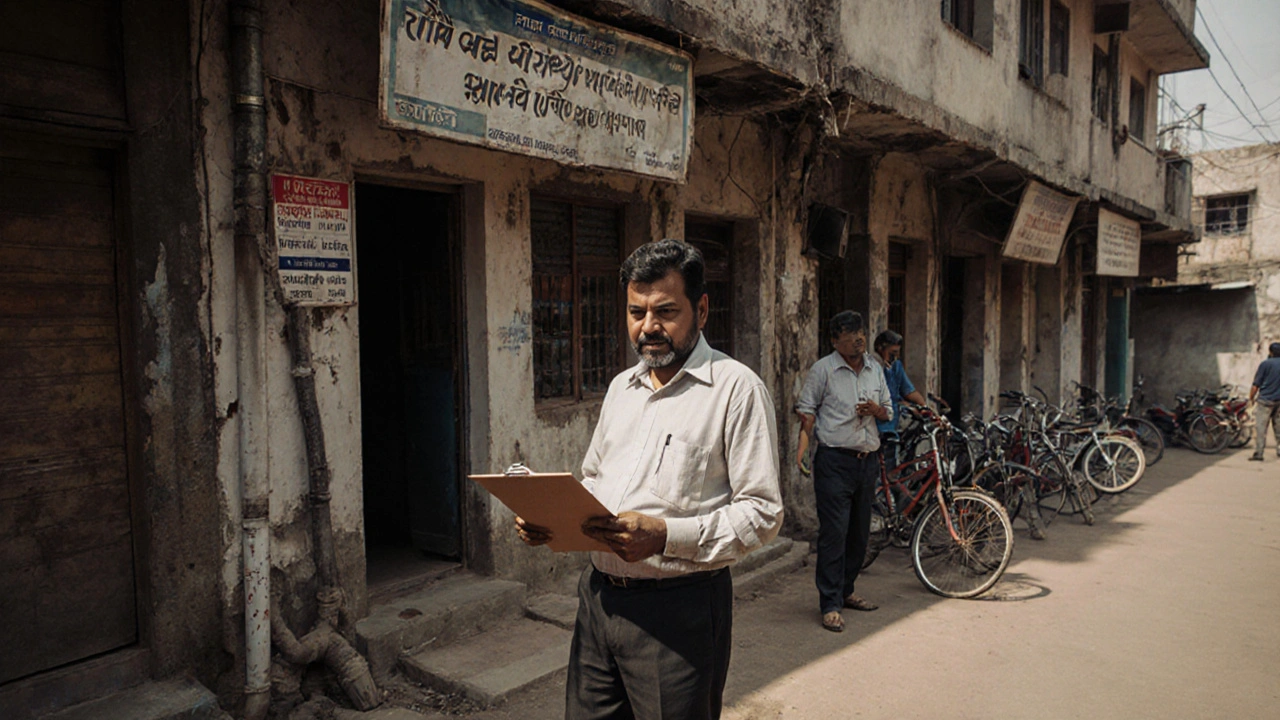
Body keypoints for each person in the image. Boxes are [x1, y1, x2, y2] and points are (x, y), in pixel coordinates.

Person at [516, 239, 783, 720]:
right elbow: (595, 478)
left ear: (701, 309)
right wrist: (551, 518)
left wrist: (663, 535)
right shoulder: (622, 387)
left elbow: (762, 513)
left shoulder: (736, 390)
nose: (648, 328)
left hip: (679, 611)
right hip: (598, 601)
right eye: (636, 312)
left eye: (665, 311)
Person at [796, 310, 892, 633]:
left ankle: (847, 590)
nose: (859, 339)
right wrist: (802, 450)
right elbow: (807, 411)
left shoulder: (874, 369)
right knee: (834, 533)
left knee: (859, 533)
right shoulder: (823, 371)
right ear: (835, 341)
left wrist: (875, 410)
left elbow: (888, 412)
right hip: (834, 462)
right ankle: (830, 604)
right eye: (850, 334)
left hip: (866, 463)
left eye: (861, 332)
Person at [872, 330, 927, 468]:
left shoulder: (896, 366)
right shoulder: (871, 367)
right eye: (892, 353)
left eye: (897, 353)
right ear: (880, 349)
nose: (894, 357)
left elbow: (909, 391)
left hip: (893, 427)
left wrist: (924, 407)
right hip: (874, 429)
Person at [1248, 341, 1280, 461]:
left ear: (1271, 352)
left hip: (1265, 401)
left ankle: (1259, 453)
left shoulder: (1265, 364)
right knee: (1278, 427)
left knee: (1261, 428)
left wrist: (1251, 398)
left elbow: (1256, 384)